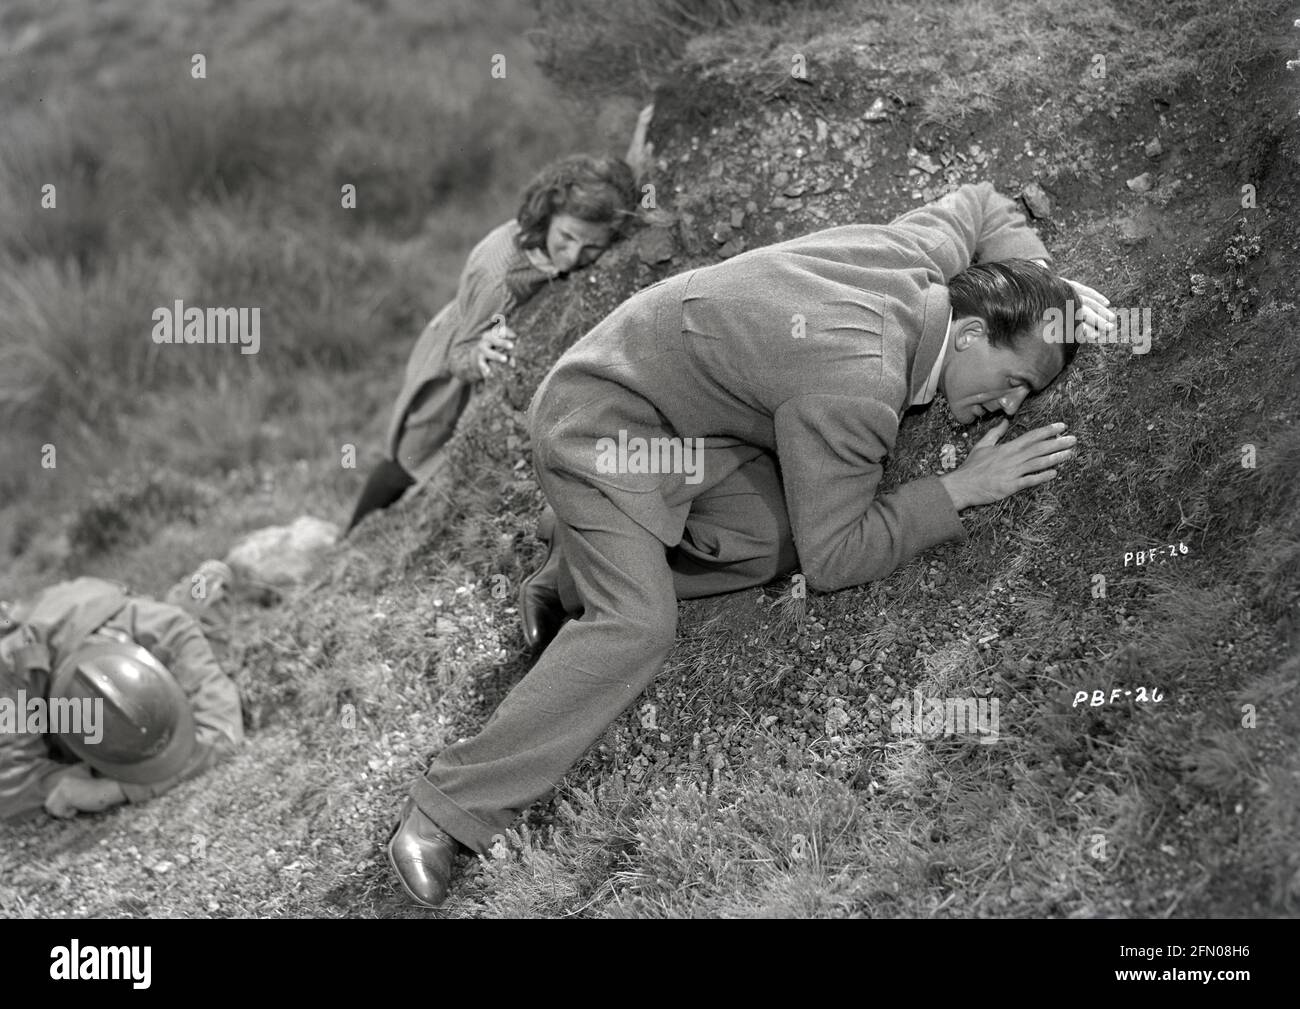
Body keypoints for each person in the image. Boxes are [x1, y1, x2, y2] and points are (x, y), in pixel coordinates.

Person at [386, 181, 1115, 907]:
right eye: (1015, 382)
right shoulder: (859, 383)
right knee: (637, 625)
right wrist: (959, 490)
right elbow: (837, 558)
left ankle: (572, 564)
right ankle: (448, 810)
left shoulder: (918, 259)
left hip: (671, 417)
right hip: (598, 422)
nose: (1012, 406)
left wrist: (1051, 293)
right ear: (971, 335)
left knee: (778, 538)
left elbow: (983, 203)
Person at [346, 109, 654, 532]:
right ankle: (354, 529)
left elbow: (614, 202)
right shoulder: (499, 276)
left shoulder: (588, 217)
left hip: (473, 331)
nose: (572, 256)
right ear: (547, 215)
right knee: (410, 454)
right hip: (455, 353)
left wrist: (636, 155)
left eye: (590, 247)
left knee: (433, 462)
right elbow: (459, 357)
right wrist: (481, 352)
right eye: (565, 238)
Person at [0, 576, 243, 823]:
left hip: (102, 605)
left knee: (207, 601)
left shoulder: (173, 630)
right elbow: (11, 786)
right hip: (37, 621)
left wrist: (111, 790)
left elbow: (223, 732)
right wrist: (59, 782)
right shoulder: (13, 676)